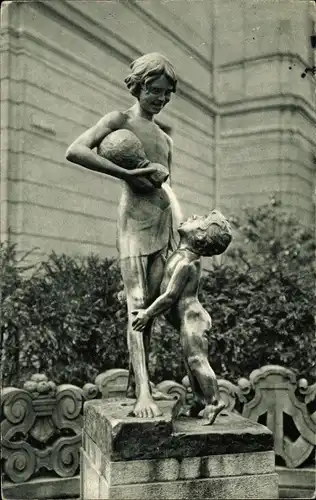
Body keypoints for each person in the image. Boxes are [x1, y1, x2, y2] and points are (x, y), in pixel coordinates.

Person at [66, 53, 182, 418]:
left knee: (154, 305)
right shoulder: (119, 119)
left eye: (166, 94)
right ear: (137, 86)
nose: (160, 99)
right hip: (133, 222)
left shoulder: (165, 138)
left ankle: (138, 383)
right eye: (154, 91)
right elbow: (76, 150)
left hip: (163, 222)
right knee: (136, 303)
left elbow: (169, 186)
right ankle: (143, 393)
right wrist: (124, 173)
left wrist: (179, 230)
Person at [132, 210, 232, 425]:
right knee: (190, 362)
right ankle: (198, 402)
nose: (194, 215)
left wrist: (147, 314)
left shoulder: (187, 263)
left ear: (199, 237)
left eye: (198, 221)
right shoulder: (180, 255)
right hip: (188, 320)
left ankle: (214, 401)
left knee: (196, 361)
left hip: (193, 320)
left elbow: (169, 297)